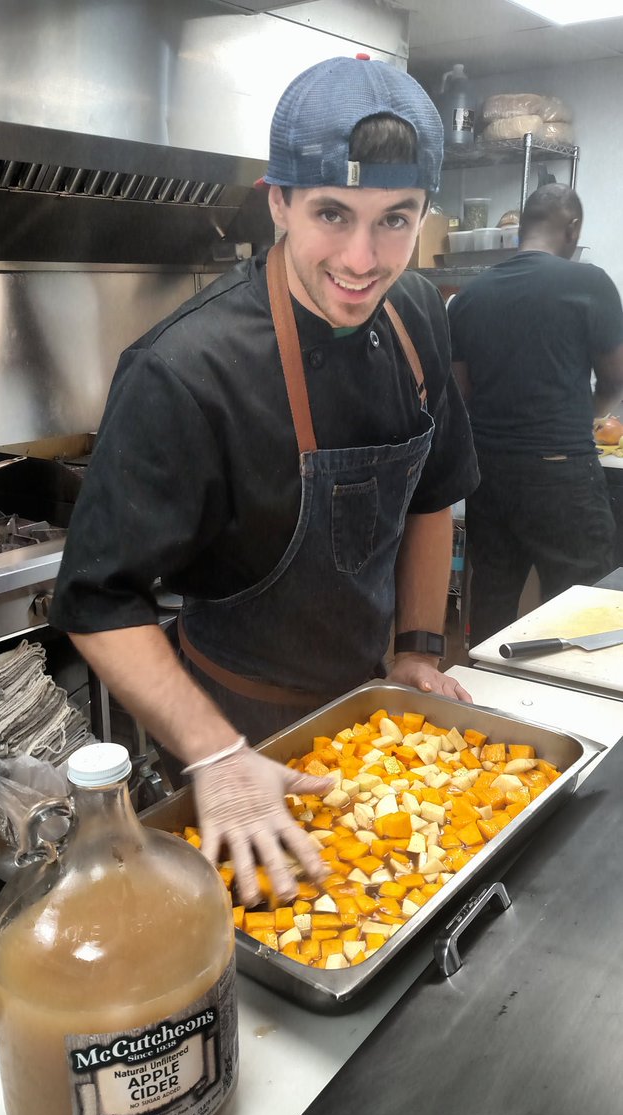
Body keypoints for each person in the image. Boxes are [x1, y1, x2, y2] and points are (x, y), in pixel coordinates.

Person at [50, 55, 479, 904]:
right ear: (275, 199)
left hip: (368, 706)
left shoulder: (416, 312)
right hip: (231, 728)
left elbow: (431, 491)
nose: (362, 259)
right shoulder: (185, 371)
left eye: (395, 219)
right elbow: (97, 601)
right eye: (331, 214)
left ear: (425, 212)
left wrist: (418, 650)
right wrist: (213, 754)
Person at [448, 183, 623, 650]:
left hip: (487, 476)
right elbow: (614, 379)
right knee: (583, 610)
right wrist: (583, 415)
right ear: (572, 229)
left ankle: (484, 704)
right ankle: (564, 715)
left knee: (492, 604)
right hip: (561, 472)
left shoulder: (468, 297)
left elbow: (462, 393)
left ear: (521, 229)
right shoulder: (590, 283)